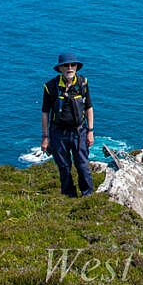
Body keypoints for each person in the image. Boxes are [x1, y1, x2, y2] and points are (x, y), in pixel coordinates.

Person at [41, 53, 95, 197]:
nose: (70, 68)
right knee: (64, 167)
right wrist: (45, 137)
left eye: (73, 65)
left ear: (77, 67)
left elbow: (89, 107)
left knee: (83, 165)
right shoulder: (50, 87)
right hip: (58, 133)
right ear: (60, 68)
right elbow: (45, 112)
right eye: (66, 65)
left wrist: (90, 131)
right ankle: (69, 196)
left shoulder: (83, 83)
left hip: (79, 132)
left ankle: (88, 196)